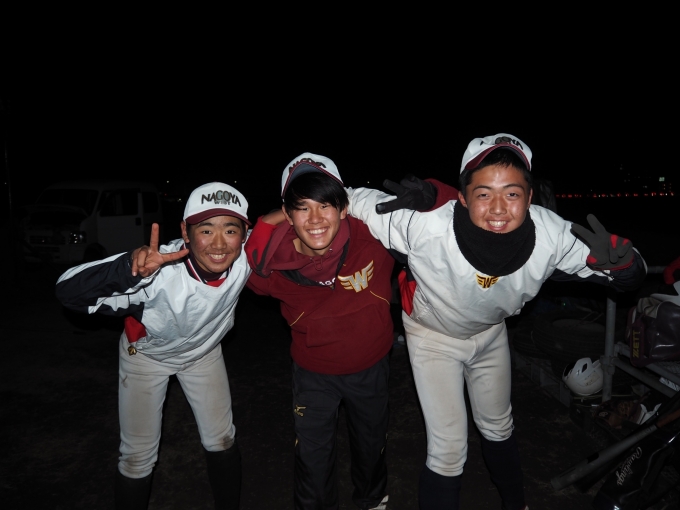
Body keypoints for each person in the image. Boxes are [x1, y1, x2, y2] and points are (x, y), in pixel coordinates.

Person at [347, 133, 648, 510]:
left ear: (530, 196)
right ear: (462, 197)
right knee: (448, 448)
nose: (499, 208)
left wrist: (626, 266)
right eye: (484, 193)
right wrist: (286, 211)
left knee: (499, 427)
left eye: (512, 193)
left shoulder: (552, 234)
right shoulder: (423, 225)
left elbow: (629, 272)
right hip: (432, 337)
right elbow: (350, 199)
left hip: (490, 334)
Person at [244, 153, 448, 510]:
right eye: (302, 208)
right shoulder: (268, 267)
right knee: (312, 457)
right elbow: (216, 259)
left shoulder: (374, 235)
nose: (315, 219)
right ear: (287, 215)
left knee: (371, 445)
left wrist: (434, 193)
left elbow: (453, 214)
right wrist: (262, 224)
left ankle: (372, 500)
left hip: (371, 367)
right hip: (312, 374)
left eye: (325, 204)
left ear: (343, 207)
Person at [55, 182, 251, 510]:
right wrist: (128, 270)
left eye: (230, 230)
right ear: (185, 232)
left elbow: (296, 221)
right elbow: (67, 290)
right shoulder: (156, 273)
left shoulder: (246, 256)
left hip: (203, 353)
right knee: (137, 457)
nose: (219, 243)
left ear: (244, 234)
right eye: (206, 230)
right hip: (147, 358)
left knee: (222, 439)